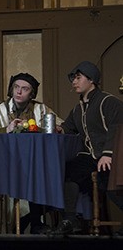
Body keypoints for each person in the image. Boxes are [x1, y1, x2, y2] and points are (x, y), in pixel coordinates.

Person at [0, 72, 63, 234]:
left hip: (34, 165)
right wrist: (5, 129)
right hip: (5, 165)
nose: (19, 92)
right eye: (16, 87)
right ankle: (27, 221)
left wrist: (54, 129)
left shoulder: (41, 110)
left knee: (49, 175)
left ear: (31, 93)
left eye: (25, 89)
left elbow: (60, 129)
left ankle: (33, 220)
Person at [51, 61, 123, 235]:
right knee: (66, 171)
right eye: (73, 79)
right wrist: (58, 129)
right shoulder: (77, 109)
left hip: (112, 155)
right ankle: (71, 219)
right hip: (90, 156)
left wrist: (108, 154)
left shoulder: (109, 101)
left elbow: (117, 129)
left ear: (91, 80)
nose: (74, 82)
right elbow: (68, 127)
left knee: (109, 182)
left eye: (78, 78)